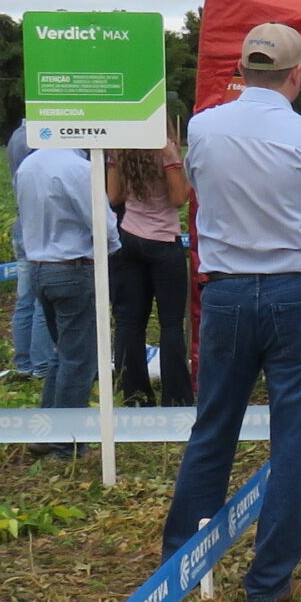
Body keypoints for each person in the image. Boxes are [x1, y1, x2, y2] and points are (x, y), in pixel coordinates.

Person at [161, 23, 301, 602]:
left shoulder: (204, 127)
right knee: (294, 440)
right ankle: (269, 582)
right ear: (296, 76)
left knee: (213, 427)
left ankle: (179, 570)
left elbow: (196, 189)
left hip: (226, 293)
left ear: (242, 70)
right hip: (298, 293)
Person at [13, 139, 98, 454]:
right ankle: (67, 442)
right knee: (79, 359)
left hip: (39, 267)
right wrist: (112, 249)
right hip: (72, 268)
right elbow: (99, 222)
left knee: (62, 353)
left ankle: (47, 431)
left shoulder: (29, 164)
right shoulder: (78, 168)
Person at [107, 132, 194, 406]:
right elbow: (180, 198)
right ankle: (176, 397)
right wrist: (175, 163)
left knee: (129, 323)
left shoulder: (121, 148)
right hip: (164, 242)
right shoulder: (165, 149)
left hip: (129, 237)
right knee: (170, 324)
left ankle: (134, 394)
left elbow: (114, 197)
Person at [5, 120, 55, 380]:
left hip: (21, 222)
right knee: (41, 301)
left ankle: (23, 362)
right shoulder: (41, 137)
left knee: (25, 298)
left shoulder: (17, 135)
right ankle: (42, 364)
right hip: (42, 226)